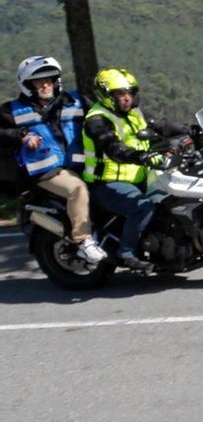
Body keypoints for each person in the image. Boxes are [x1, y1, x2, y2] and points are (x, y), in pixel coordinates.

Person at [80, 67, 188, 267]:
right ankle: (127, 253)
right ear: (106, 95)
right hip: (107, 184)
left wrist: (191, 130)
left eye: (129, 93)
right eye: (121, 94)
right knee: (142, 207)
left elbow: (161, 126)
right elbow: (115, 149)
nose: (127, 98)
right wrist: (143, 157)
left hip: (140, 178)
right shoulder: (97, 120)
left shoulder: (134, 113)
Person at [0, 56, 105, 263]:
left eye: (50, 79)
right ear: (27, 84)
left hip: (82, 164)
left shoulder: (76, 101)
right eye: (39, 81)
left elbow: (104, 116)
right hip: (46, 171)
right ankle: (83, 240)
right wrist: (21, 135)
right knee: (77, 189)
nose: (46, 84)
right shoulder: (11, 110)